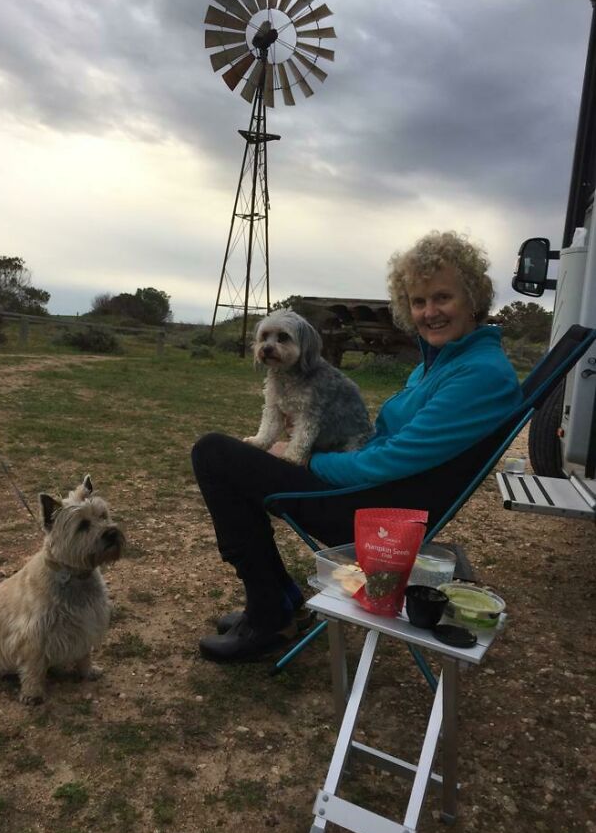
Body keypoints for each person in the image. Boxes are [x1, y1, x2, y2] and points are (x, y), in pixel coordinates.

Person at [191, 231, 522, 663]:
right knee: (238, 461)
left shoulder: (479, 375)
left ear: (473, 298)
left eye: (443, 297)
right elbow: (389, 445)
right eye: (419, 302)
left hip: (376, 515)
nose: (429, 312)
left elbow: (390, 460)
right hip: (374, 494)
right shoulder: (444, 362)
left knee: (214, 454)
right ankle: (277, 600)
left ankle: (270, 612)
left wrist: (310, 458)